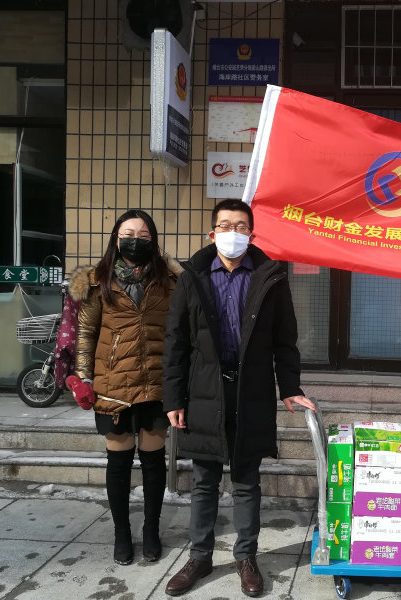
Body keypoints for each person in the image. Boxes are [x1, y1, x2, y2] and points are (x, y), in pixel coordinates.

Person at [162, 199, 315, 597]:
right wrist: (173, 398)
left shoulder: (270, 277)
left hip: (251, 391)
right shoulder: (193, 277)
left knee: (247, 480)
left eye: (241, 226)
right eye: (226, 225)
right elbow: (176, 342)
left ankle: (246, 557)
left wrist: (290, 388)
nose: (233, 233)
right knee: (204, 480)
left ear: (252, 233)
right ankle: (199, 556)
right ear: (212, 233)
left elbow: (285, 340)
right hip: (204, 390)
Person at [71, 209, 182, 565]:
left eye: (144, 235)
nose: (136, 240)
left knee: (153, 462)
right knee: (118, 463)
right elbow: (86, 333)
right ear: (116, 239)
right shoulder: (97, 281)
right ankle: (122, 532)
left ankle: (151, 529)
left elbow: (181, 332)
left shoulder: (170, 281)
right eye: (128, 234)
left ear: (153, 240)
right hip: (112, 386)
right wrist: (84, 377)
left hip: (155, 384)